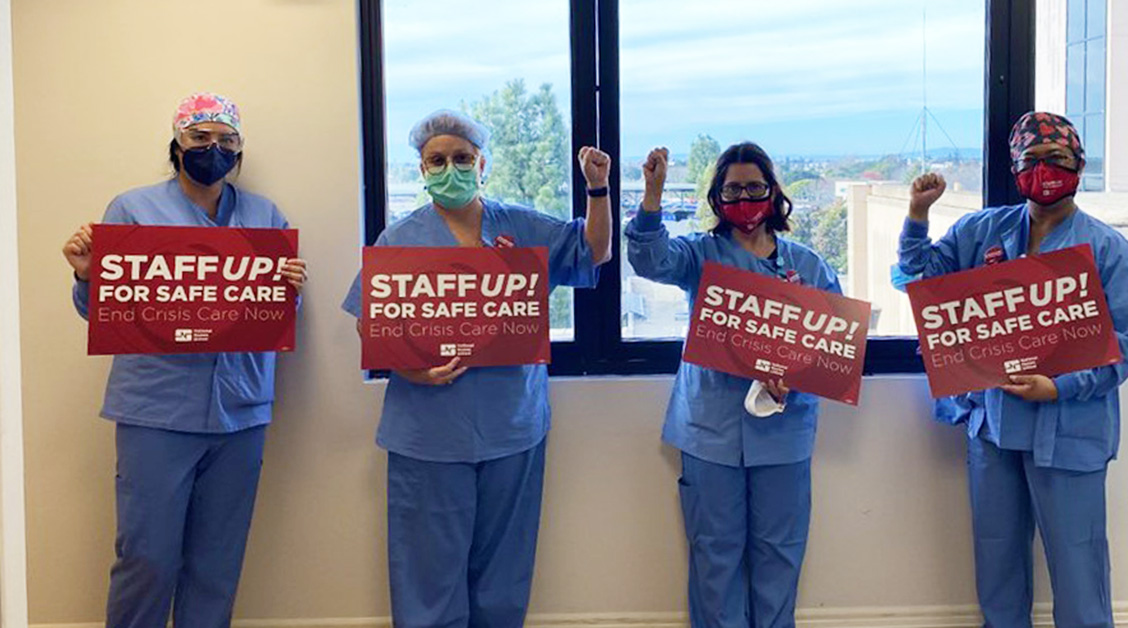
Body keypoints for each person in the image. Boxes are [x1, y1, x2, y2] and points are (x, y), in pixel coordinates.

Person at [341, 109, 612, 628]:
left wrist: (597, 189)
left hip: (512, 426)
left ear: (481, 162)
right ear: (421, 169)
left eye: (461, 158)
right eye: (437, 160)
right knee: (427, 577)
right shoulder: (398, 239)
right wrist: (410, 370)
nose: (450, 168)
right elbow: (370, 324)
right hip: (427, 434)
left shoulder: (521, 226)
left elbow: (593, 250)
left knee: (502, 579)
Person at [61, 92, 308, 628]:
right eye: (200, 138)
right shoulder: (131, 209)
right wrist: (86, 273)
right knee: (146, 558)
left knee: (217, 563)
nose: (212, 149)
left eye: (226, 140)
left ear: (239, 151)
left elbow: (274, 312)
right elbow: (104, 311)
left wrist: (290, 290)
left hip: (240, 413)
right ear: (177, 144)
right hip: (155, 410)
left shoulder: (266, 216)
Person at [898, 111, 1128, 628]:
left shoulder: (1107, 249)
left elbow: (1127, 343)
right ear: (1014, 169)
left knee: (1079, 567)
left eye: (1055, 158)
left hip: (1071, 429)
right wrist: (918, 216)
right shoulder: (981, 230)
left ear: (1078, 163)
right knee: (998, 567)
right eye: (1031, 160)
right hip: (993, 427)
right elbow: (919, 282)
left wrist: (1058, 388)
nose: (1044, 170)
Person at [625, 142, 841, 628]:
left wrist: (797, 375)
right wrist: (653, 195)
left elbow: (836, 345)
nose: (744, 197)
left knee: (779, 558)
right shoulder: (700, 255)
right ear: (717, 198)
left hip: (784, 435)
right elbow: (649, 259)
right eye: (733, 189)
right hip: (710, 431)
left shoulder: (808, 266)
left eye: (754, 187)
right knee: (715, 559)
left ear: (773, 193)